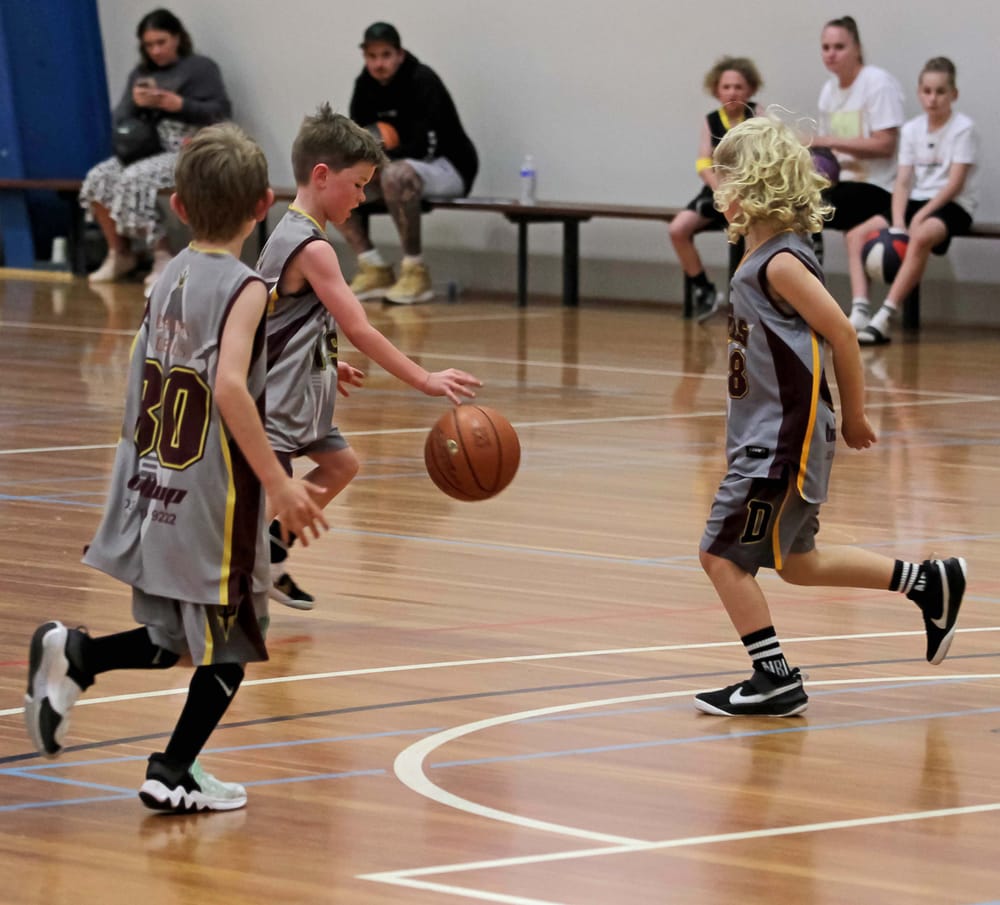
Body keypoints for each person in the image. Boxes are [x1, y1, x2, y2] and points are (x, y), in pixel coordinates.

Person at [25, 124, 328, 811]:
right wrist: (279, 482)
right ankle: (173, 768)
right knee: (234, 640)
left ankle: (75, 656)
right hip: (213, 500)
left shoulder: (165, 278)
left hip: (155, 481)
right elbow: (225, 386)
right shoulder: (248, 286)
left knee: (171, 638)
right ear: (265, 205)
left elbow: (179, 368)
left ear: (180, 207)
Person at [693, 113, 967, 717]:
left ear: (755, 187)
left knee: (721, 556)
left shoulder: (780, 263)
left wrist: (857, 415)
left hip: (780, 441)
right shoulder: (762, 252)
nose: (717, 192)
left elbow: (843, 333)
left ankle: (775, 679)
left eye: (726, 180)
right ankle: (927, 582)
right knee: (798, 562)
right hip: (770, 437)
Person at [258, 103, 481, 608]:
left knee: (341, 465)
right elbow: (359, 328)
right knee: (274, 494)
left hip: (300, 390)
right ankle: (221, 592)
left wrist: (319, 360)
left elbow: (273, 319)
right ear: (321, 176)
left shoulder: (288, 234)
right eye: (358, 184)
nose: (363, 197)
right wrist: (424, 379)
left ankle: (270, 555)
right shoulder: (311, 248)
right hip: (275, 404)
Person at [79, 8, 231, 294]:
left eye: (161, 42)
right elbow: (120, 118)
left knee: (135, 179)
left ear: (177, 38)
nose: (156, 50)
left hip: (187, 151)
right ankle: (119, 253)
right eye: (149, 45)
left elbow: (221, 113)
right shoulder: (141, 73)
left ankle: (161, 254)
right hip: (145, 147)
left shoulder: (201, 68)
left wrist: (180, 105)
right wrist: (136, 103)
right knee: (97, 178)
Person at [334, 22, 479, 305]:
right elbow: (357, 139)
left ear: (399, 54)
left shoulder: (422, 80)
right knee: (333, 182)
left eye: (385, 55)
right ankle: (372, 265)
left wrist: (384, 161)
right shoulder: (364, 85)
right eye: (372, 57)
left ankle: (415, 270)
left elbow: (429, 145)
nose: (379, 64)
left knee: (396, 175)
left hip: (447, 166)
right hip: (395, 166)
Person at [856, 58, 978, 345]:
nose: (932, 98)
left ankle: (885, 316)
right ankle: (860, 310)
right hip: (917, 201)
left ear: (953, 95)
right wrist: (898, 222)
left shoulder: (963, 128)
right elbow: (902, 181)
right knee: (857, 234)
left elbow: (955, 183)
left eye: (940, 91)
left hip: (953, 204)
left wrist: (921, 216)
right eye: (927, 91)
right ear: (919, 92)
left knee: (921, 234)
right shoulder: (912, 129)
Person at [812, 15, 905, 331]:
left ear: (857, 49)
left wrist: (826, 140)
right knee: (796, 202)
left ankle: (810, 294)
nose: (831, 53)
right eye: (825, 47)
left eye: (839, 46)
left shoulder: (877, 83)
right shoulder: (828, 91)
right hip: (847, 185)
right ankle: (854, 309)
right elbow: (829, 155)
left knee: (810, 211)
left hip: (880, 187)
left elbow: (885, 145)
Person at [668, 56, 762, 322]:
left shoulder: (758, 115)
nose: (732, 92)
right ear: (716, 90)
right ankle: (704, 290)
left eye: (738, 87)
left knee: (754, 233)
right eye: (726, 86)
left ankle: (753, 296)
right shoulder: (711, 121)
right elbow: (703, 162)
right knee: (678, 229)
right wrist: (718, 187)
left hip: (749, 191)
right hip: (716, 189)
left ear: (750, 89)